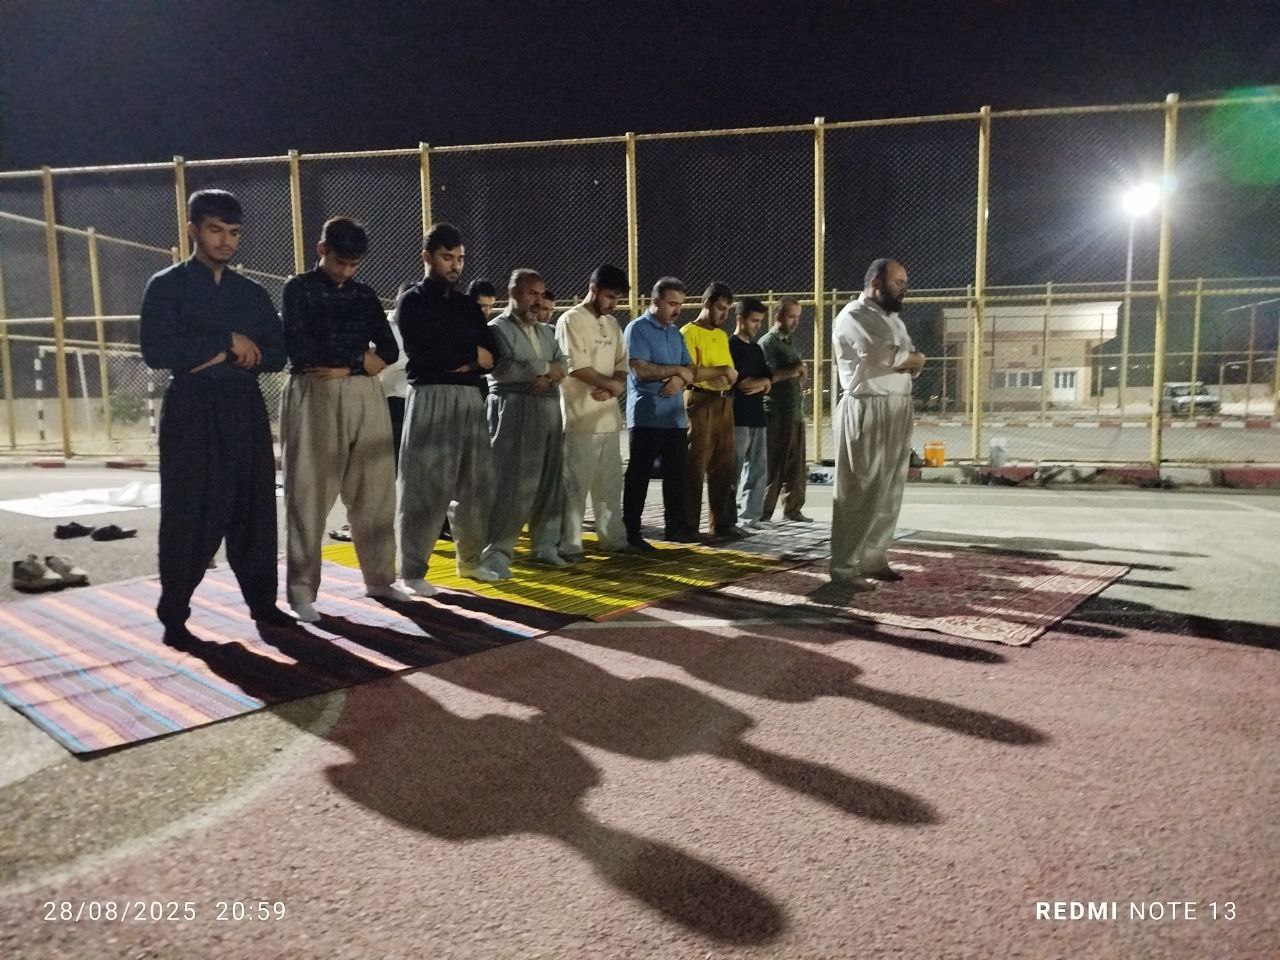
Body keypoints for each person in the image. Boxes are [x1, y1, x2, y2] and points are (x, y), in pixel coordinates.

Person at [140, 189, 290, 639]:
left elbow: (277, 354)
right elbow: (157, 351)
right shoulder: (167, 285)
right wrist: (228, 343)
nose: (226, 241)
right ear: (193, 230)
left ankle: (264, 605)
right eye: (215, 230)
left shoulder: (251, 292)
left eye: (234, 232)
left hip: (244, 407)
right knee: (189, 510)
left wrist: (217, 353)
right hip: (192, 409)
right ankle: (174, 613)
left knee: (254, 507)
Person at [279, 217, 405, 623]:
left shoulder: (363, 294)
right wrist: (358, 358)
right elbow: (302, 347)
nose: (347, 271)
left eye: (354, 265)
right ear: (322, 250)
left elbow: (389, 349)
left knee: (375, 490)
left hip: (363, 394)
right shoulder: (299, 288)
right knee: (308, 492)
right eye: (340, 262)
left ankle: (381, 579)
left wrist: (347, 363)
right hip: (314, 393)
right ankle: (301, 592)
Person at [395, 223, 500, 595]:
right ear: (427, 257)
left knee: (476, 485)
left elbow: (493, 354)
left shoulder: (467, 305)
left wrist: (462, 356)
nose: (455, 266)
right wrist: (470, 354)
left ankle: (470, 562)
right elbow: (425, 351)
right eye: (447, 257)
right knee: (424, 486)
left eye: (460, 258)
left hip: (470, 398)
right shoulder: (412, 301)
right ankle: (412, 572)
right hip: (431, 395)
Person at [828, 258, 925, 589]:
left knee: (889, 491)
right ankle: (844, 567)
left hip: (898, 406)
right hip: (868, 407)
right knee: (860, 491)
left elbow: (906, 358)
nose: (904, 288)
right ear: (875, 283)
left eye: (905, 282)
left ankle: (873, 558)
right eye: (898, 282)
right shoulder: (854, 316)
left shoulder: (892, 320)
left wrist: (910, 360)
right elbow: (889, 356)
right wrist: (913, 360)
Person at [622, 278, 725, 549]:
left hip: (675, 419)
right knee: (639, 477)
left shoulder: (675, 334)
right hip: (647, 417)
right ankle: (631, 533)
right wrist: (677, 371)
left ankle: (675, 529)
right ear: (655, 301)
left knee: (676, 477)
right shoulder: (637, 329)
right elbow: (640, 369)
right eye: (671, 304)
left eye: (680, 304)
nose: (677, 310)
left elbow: (690, 369)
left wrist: (679, 377)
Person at [480, 269, 571, 578]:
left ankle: (545, 547)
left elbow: (564, 364)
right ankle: (496, 552)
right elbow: (505, 367)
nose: (538, 301)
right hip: (514, 410)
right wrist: (546, 369)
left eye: (541, 295)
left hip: (548, 411)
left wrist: (546, 374)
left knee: (549, 481)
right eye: (532, 293)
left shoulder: (546, 332)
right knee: (512, 484)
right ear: (513, 293)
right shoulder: (497, 329)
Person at [555, 264, 630, 561]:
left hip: (608, 420)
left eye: (617, 298)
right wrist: (611, 385)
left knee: (610, 486)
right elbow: (576, 366)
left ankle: (614, 541)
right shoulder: (571, 320)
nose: (613, 304)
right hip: (579, 420)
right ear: (593, 289)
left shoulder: (612, 324)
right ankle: (569, 545)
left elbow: (622, 364)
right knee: (575, 487)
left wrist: (614, 387)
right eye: (610, 296)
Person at [680, 283, 743, 538]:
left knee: (724, 465)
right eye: (720, 308)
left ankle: (722, 523)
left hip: (724, 403)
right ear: (706, 304)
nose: (724, 314)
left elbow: (731, 372)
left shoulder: (720, 335)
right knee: (695, 465)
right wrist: (721, 372)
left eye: (727, 309)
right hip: (700, 402)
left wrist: (728, 375)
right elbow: (689, 372)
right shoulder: (689, 332)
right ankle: (689, 526)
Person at [759, 296, 812, 523]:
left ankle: (793, 509)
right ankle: (764, 511)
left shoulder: (789, 342)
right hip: (777, 412)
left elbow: (797, 372)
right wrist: (794, 369)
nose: (795, 321)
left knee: (797, 464)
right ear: (778, 315)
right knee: (775, 464)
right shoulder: (768, 343)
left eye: (798, 317)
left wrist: (800, 372)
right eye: (791, 316)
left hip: (795, 412)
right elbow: (766, 377)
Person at [727, 298, 772, 529]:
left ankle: (751, 517)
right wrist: (761, 383)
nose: (758, 326)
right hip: (738, 417)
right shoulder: (731, 346)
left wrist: (763, 383)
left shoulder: (756, 348)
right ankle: (727, 519)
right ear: (740, 319)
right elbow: (744, 384)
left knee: (758, 469)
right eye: (754, 320)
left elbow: (767, 380)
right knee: (733, 469)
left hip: (757, 415)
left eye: (760, 321)